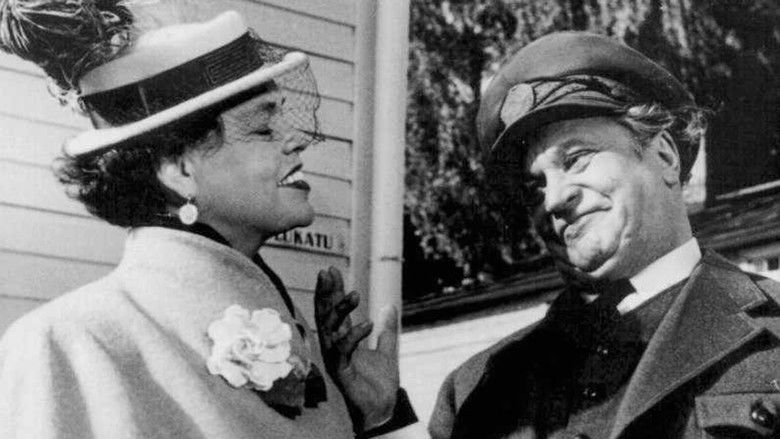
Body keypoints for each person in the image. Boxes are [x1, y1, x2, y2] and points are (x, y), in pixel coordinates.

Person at [0, 1, 415, 437]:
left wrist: (375, 416)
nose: (297, 140)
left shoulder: (303, 347)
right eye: (262, 128)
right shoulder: (66, 344)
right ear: (179, 169)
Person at [428, 32, 780, 439]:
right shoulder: (477, 390)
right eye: (534, 186)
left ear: (664, 154)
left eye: (576, 159)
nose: (553, 199)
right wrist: (380, 422)